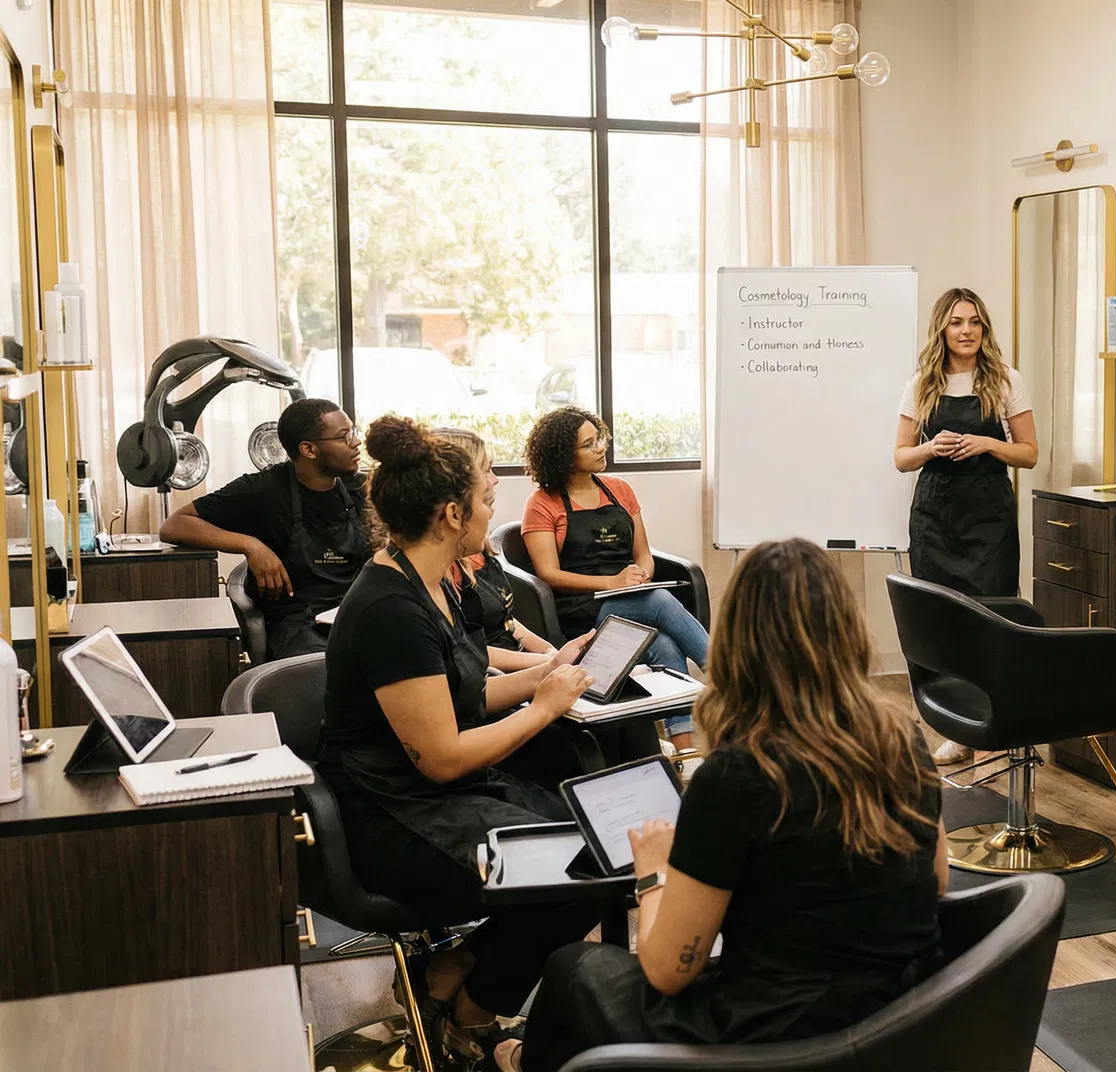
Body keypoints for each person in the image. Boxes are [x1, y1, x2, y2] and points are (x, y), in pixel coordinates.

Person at [499, 538, 948, 1072]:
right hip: (903, 1025)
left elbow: (667, 971)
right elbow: (937, 880)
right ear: (847, 632)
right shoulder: (902, 739)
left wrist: (654, 872)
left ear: (739, 645)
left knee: (573, 968)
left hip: (783, 1043)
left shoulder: (736, 776)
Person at [320, 417, 599, 1067]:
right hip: (394, 814)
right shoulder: (392, 609)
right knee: (579, 871)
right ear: (451, 514)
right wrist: (544, 709)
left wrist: (543, 675)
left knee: (599, 847)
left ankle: (452, 968)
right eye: (483, 499)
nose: (491, 507)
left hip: (437, 794)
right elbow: (442, 757)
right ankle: (471, 1018)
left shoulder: (434, 582)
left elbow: (463, 694)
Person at [894, 287, 1036, 765]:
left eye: (974, 322)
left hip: (989, 519)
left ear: (984, 328)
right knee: (942, 623)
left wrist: (987, 444)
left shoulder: (1006, 380)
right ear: (942, 329)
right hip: (935, 519)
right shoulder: (921, 384)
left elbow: (1030, 453)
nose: (967, 330)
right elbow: (901, 457)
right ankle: (958, 729)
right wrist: (931, 448)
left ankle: (997, 725)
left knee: (991, 621)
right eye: (957, 322)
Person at [521, 406, 711, 752]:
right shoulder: (542, 504)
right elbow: (549, 574)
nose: (601, 448)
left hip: (631, 597)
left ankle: (683, 752)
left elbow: (644, 555)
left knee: (664, 645)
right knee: (658, 601)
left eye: (599, 439)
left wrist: (642, 575)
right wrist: (612, 583)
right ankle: (724, 676)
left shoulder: (619, 490)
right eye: (588, 444)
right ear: (564, 455)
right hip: (580, 609)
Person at [161, 397, 373, 660]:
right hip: (296, 626)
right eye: (344, 437)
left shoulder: (363, 489)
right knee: (324, 670)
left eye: (353, 432)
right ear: (308, 449)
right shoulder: (262, 490)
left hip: (354, 614)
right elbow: (174, 525)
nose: (356, 442)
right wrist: (250, 545)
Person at [434, 428, 557, 671]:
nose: (495, 480)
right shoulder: (436, 575)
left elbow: (507, 622)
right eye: (487, 470)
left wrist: (550, 651)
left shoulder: (479, 547)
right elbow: (466, 651)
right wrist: (547, 664)